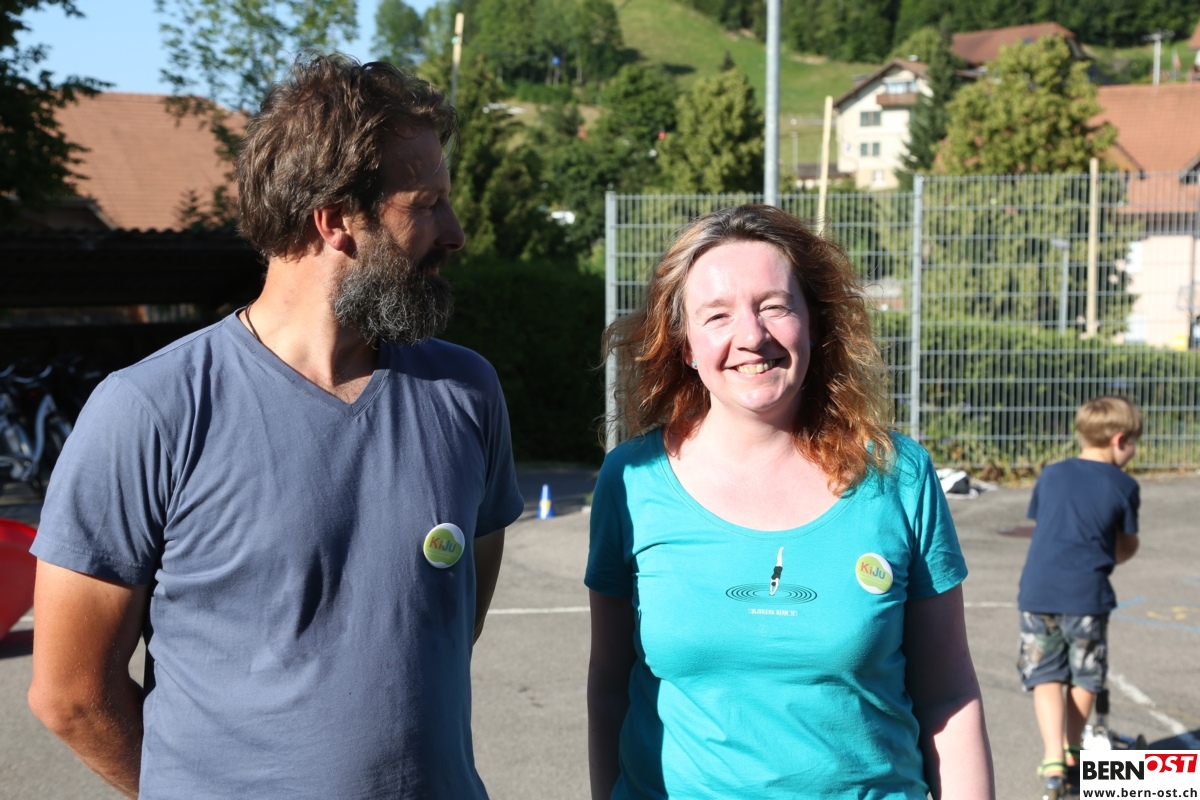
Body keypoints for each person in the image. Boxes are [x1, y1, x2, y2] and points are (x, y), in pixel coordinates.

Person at [26, 53, 523, 799]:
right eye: (426, 206)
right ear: (335, 220)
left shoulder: (466, 391)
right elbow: (70, 693)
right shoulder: (152, 410)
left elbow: (449, 627)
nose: (453, 234)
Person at [586, 204, 994, 799]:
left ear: (815, 322)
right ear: (684, 344)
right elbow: (610, 686)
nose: (752, 336)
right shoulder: (632, 480)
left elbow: (949, 694)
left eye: (774, 306)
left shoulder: (898, 475)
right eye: (717, 315)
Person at [1016, 396, 1141, 799]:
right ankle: (1072, 749)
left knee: (1045, 674)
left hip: (1036, 592)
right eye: (1134, 444)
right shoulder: (1124, 485)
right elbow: (1125, 544)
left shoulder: (1051, 474)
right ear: (1119, 439)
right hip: (1085, 595)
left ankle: (1052, 759)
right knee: (1086, 674)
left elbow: (1047, 525)